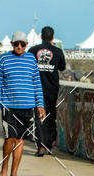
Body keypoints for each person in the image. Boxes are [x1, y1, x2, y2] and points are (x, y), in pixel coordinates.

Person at [0, 31, 45, 176]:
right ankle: (3, 170)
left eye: (22, 44)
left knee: (20, 140)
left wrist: (40, 105)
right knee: (9, 139)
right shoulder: (3, 60)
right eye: (16, 44)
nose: (19, 47)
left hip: (27, 107)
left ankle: (14, 175)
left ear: (27, 45)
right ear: (12, 44)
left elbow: (37, 84)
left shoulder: (31, 60)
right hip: (9, 107)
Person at [29, 25, 66, 155]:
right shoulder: (57, 51)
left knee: (38, 117)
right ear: (53, 37)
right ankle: (48, 145)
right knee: (50, 116)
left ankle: (40, 146)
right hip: (52, 89)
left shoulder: (33, 50)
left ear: (41, 36)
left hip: (36, 89)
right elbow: (62, 67)